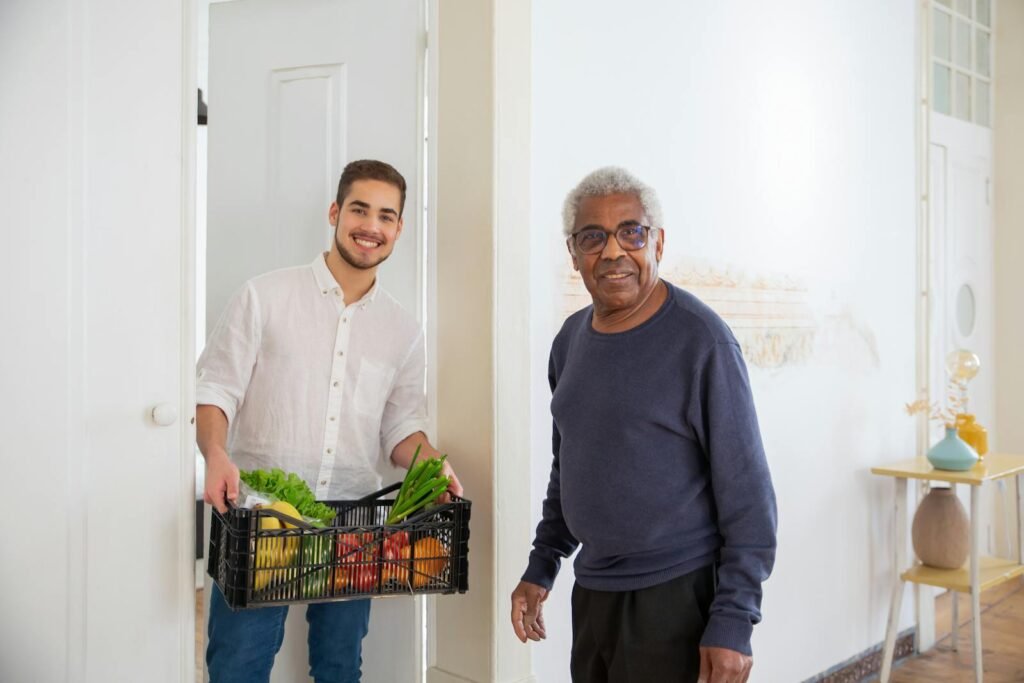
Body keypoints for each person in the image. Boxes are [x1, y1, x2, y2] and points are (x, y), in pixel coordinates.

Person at [197, 159, 461, 683]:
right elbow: (216, 390)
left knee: (341, 668)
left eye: (387, 216)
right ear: (335, 212)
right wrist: (216, 454)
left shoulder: (402, 330)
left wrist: (435, 468)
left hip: (352, 523)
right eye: (359, 209)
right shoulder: (264, 296)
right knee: (238, 666)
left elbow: (400, 428)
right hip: (260, 517)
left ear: (399, 229)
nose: (372, 226)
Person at [510, 167, 777, 683]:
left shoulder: (702, 342)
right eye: (593, 237)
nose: (612, 252)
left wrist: (735, 620)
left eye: (631, 232)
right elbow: (569, 467)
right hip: (594, 595)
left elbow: (750, 498)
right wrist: (542, 564)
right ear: (574, 254)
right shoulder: (569, 342)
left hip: (676, 599)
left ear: (657, 241)